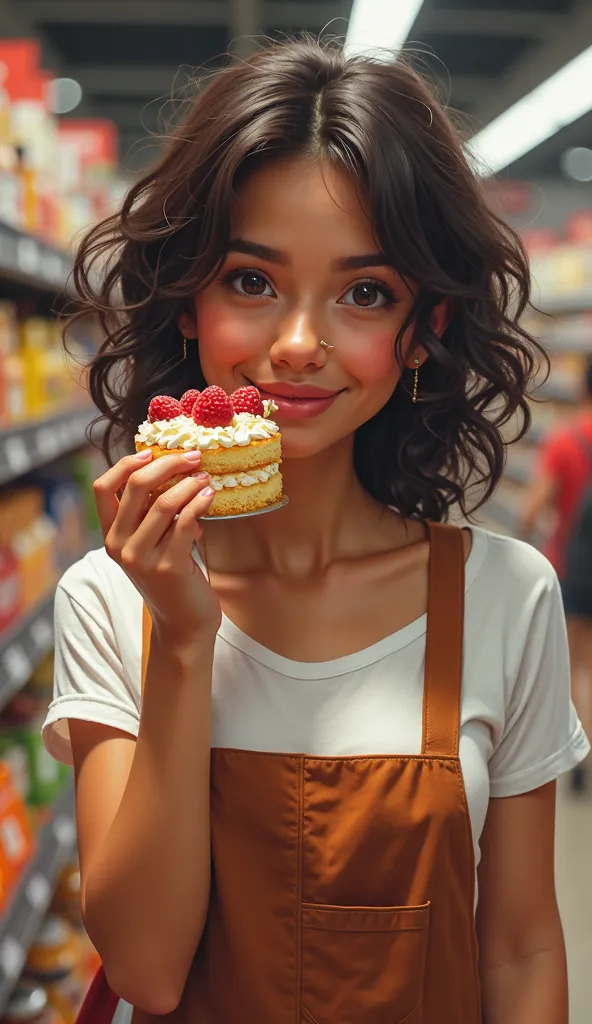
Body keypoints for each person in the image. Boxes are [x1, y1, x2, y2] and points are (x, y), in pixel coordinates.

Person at [42, 38, 588, 1024]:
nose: (298, 345)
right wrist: (182, 638)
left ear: (424, 327)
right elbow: (149, 969)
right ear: (189, 300)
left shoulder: (504, 596)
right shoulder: (111, 597)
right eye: (251, 281)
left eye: (364, 293)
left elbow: (518, 948)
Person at [521, 355, 592, 791]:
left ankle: (581, 750)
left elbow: (533, 509)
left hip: (575, 566)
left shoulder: (564, 440)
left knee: (577, 663)